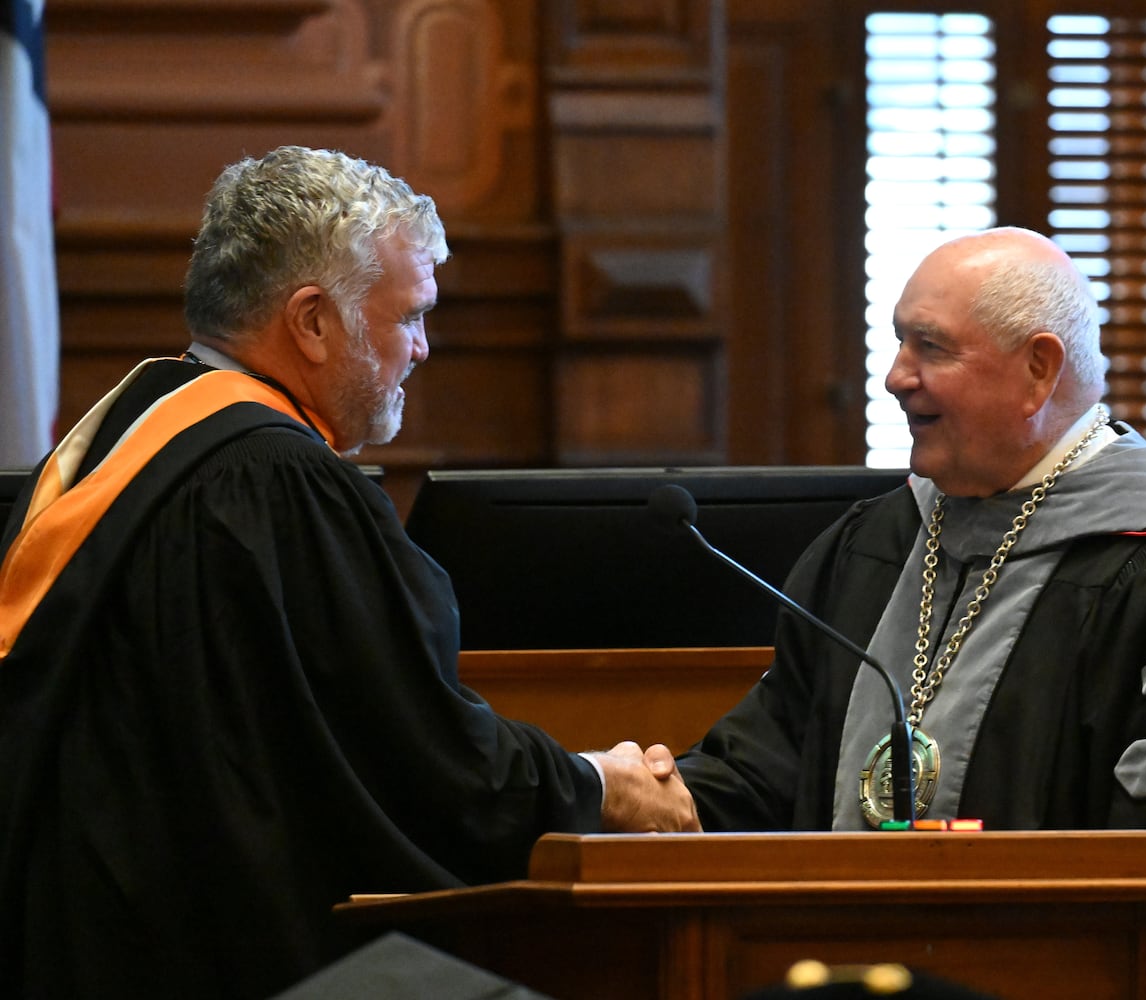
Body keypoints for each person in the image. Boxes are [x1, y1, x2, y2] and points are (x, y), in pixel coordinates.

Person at [0, 145, 699, 999]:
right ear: (313, 321)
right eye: (409, 316)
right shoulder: (274, 483)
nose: (423, 348)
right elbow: (422, 762)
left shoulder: (116, 441)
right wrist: (601, 784)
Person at [677, 227, 1146, 999]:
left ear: (1038, 370)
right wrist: (615, 794)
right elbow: (767, 772)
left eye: (931, 347)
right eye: (898, 342)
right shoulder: (872, 546)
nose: (896, 377)